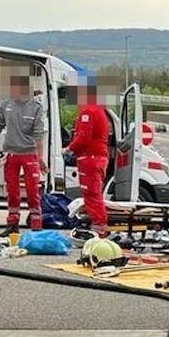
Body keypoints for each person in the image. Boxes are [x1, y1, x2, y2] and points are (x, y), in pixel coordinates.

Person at [0, 73, 48, 233]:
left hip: (29, 154)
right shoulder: (6, 105)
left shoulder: (36, 108)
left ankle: (36, 227)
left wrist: (40, 159)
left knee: (33, 192)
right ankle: (12, 225)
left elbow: (39, 136)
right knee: (12, 191)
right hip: (11, 154)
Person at [65, 79, 110, 230]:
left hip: (90, 158)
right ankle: (98, 227)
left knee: (91, 194)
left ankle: (99, 229)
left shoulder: (88, 112)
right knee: (94, 194)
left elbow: (83, 138)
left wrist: (68, 149)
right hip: (98, 157)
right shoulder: (99, 111)